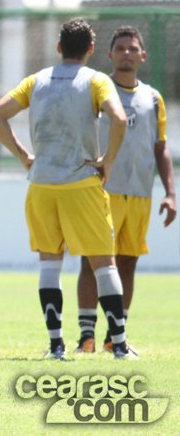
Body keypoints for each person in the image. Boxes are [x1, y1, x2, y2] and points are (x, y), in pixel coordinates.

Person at [0, 18, 136, 359]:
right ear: (91, 50)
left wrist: (24, 155)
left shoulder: (36, 80)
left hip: (41, 183)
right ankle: (121, 346)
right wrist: (107, 161)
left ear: (58, 48)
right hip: (80, 182)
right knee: (104, 264)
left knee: (49, 265)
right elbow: (120, 118)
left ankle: (55, 345)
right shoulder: (96, 80)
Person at [74, 26, 176, 354]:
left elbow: (161, 147)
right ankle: (85, 336)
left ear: (143, 56)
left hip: (140, 194)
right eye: (120, 48)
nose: (127, 53)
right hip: (101, 192)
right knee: (92, 264)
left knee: (128, 263)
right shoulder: (98, 90)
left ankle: (113, 336)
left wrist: (170, 193)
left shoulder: (153, 98)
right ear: (110, 54)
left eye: (133, 48)